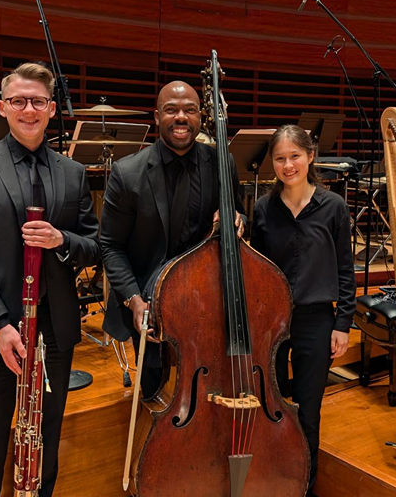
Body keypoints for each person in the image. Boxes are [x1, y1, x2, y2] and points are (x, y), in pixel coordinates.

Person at [0, 62, 100, 497]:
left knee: (42, 446)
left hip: (54, 329)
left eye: (37, 101)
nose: (28, 109)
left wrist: (60, 239)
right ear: (3, 107)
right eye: (18, 101)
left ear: (51, 109)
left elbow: (92, 244)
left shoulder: (73, 172)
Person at [100, 80, 245, 398]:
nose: (181, 117)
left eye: (190, 110)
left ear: (200, 117)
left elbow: (240, 213)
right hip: (150, 301)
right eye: (171, 110)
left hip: (207, 300)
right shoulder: (128, 174)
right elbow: (110, 245)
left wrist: (238, 220)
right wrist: (134, 301)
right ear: (156, 116)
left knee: (209, 388)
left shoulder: (222, 163)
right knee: (154, 393)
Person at [250, 124, 356, 497]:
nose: (287, 165)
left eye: (294, 156)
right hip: (272, 322)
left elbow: (345, 270)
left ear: (310, 156)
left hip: (317, 322)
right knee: (272, 405)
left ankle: (303, 485)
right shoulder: (262, 209)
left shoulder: (334, 207)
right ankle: (274, 476)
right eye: (279, 158)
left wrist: (343, 323)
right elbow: (256, 270)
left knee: (308, 410)